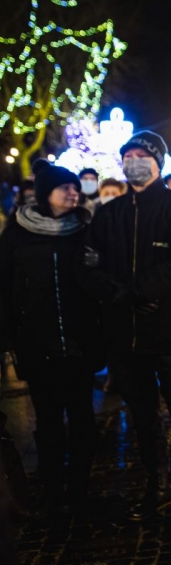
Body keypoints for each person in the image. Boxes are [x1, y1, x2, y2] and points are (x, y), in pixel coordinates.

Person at [79, 130, 171, 532]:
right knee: (143, 417)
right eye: (127, 156)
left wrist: (139, 291)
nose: (133, 162)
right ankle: (155, 486)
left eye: (141, 155)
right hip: (126, 338)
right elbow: (89, 268)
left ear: (158, 162)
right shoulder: (108, 214)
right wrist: (121, 296)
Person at [0, 160, 102, 518]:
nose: (73, 193)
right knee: (47, 423)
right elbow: (4, 287)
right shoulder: (17, 233)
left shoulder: (85, 228)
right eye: (65, 188)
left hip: (80, 342)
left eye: (75, 187)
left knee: (83, 421)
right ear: (46, 194)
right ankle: (52, 490)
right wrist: (9, 337)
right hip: (37, 345)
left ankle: (80, 489)